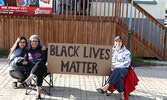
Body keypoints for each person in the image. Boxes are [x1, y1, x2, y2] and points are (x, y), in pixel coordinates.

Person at [96, 36, 131, 100]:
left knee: (117, 71)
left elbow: (126, 63)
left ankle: (106, 86)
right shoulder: (111, 51)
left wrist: (116, 67)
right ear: (114, 43)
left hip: (124, 69)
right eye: (116, 41)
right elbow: (107, 60)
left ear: (122, 43)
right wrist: (111, 67)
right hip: (114, 69)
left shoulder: (127, 52)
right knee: (118, 76)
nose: (118, 43)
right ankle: (121, 94)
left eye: (119, 41)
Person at [19, 35, 47, 100]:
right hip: (30, 69)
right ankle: (38, 94)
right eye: (32, 41)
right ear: (30, 42)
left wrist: (48, 61)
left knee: (40, 63)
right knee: (38, 72)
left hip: (43, 68)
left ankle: (28, 80)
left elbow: (51, 55)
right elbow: (20, 57)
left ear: (39, 42)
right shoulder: (27, 49)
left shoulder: (42, 49)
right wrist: (23, 60)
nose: (34, 43)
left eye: (36, 41)